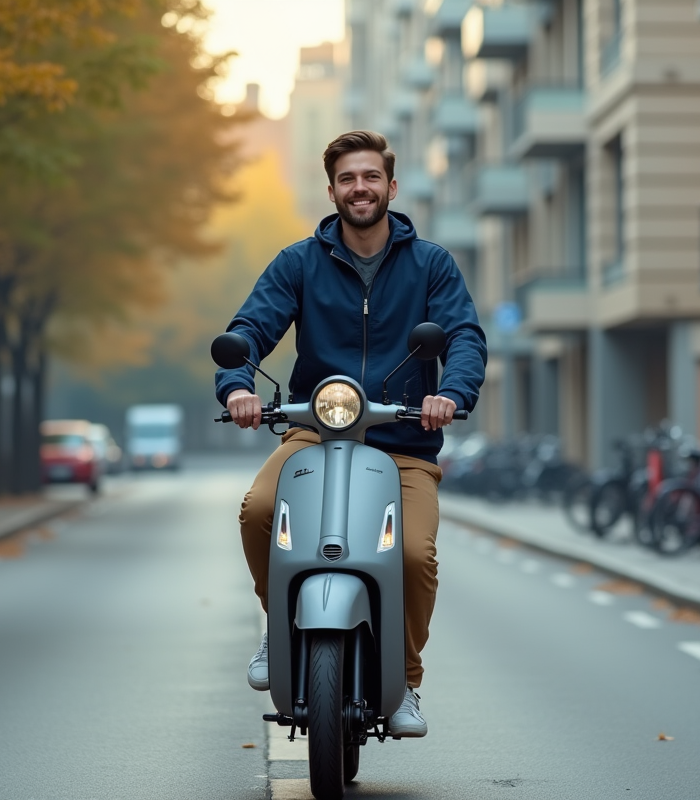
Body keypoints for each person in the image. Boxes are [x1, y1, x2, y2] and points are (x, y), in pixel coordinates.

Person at [215, 130, 487, 737]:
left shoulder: (431, 264)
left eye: (369, 178)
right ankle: (277, 627)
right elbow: (250, 328)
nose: (358, 189)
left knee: (413, 554)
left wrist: (451, 395)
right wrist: (237, 386)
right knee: (259, 509)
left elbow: (464, 336)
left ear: (390, 187)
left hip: (404, 441)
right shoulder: (299, 261)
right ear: (333, 189)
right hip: (317, 431)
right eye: (346, 179)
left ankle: (407, 683)